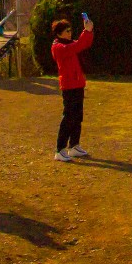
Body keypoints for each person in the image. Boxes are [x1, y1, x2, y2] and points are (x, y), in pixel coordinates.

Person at [50, 12, 95, 161]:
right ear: (59, 33)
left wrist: (88, 31)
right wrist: (86, 31)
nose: (70, 33)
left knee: (77, 116)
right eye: (67, 31)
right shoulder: (58, 47)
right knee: (69, 116)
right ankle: (60, 149)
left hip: (77, 83)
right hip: (68, 85)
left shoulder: (69, 44)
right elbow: (78, 46)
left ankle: (74, 145)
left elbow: (84, 44)